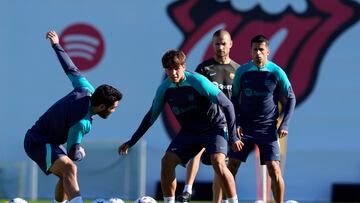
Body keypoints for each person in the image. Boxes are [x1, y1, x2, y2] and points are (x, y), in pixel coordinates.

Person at [118, 49, 244, 203]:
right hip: (190, 132)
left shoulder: (199, 82)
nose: (173, 73)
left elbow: (228, 105)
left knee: (218, 162)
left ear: (183, 66)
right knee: (167, 161)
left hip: (214, 127)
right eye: (169, 69)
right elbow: (150, 117)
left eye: (176, 68)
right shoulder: (164, 89)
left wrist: (233, 136)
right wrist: (132, 141)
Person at [24, 31, 123, 203]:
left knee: (66, 174)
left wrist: (56, 45)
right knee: (70, 167)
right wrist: (80, 152)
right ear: (101, 106)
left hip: (47, 141)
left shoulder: (86, 89)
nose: (114, 110)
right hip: (38, 141)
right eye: (113, 108)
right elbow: (72, 153)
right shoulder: (82, 122)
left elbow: (70, 68)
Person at [222, 35, 296, 203]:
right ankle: (228, 201)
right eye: (255, 49)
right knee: (231, 165)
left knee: (274, 169)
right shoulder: (242, 71)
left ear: (267, 51)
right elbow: (233, 100)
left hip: (268, 130)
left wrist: (284, 123)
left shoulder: (276, 72)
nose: (258, 53)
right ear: (251, 50)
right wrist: (237, 124)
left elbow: (291, 97)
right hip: (244, 129)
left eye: (261, 49)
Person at [176, 29, 239, 203]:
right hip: (206, 121)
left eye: (224, 43)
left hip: (226, 123)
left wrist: (237, 125)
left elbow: (239, 102)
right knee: (196, 151)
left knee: (220, 164)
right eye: (217, 43)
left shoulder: (238, 70)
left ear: (231, 44)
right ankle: (187, 191)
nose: (220, 47)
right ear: (212, 45)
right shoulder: (204, 68)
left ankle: (218, 201)